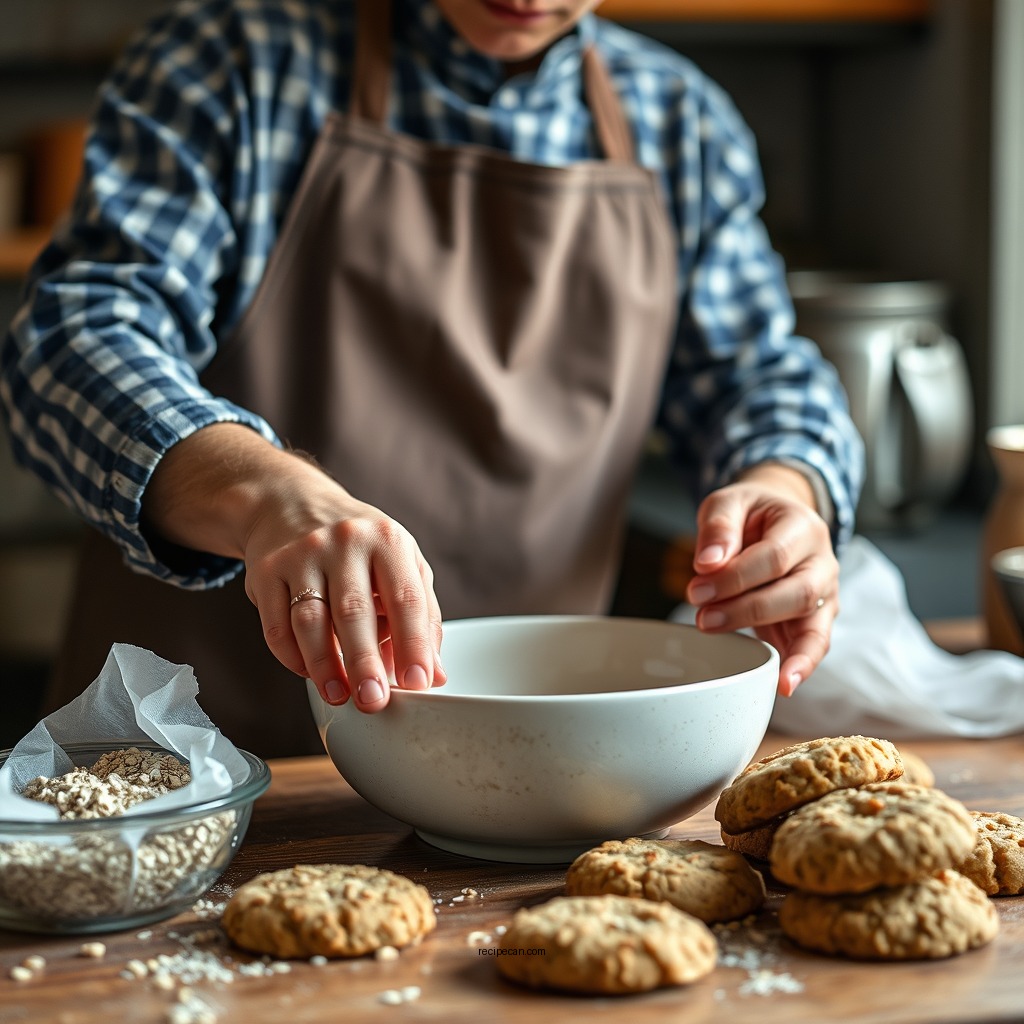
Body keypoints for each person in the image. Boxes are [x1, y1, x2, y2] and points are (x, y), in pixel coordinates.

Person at [0, 0, 863, 757]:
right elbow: (72, 340)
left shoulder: (682, 124)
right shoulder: (233, 63)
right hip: (182, 766)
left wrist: (786, 484)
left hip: (531, 766)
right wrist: (266, 496)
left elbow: (757, 373)